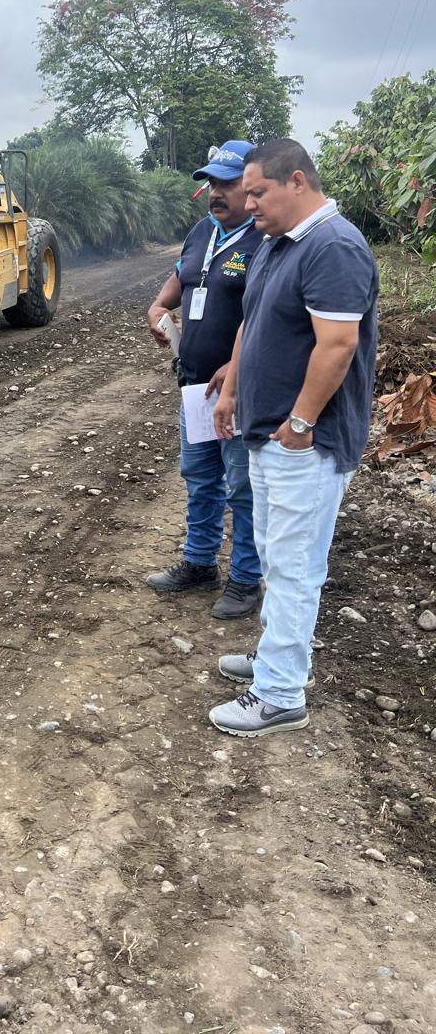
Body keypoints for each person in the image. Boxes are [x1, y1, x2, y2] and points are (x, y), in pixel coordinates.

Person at [211, 139, 378, 737]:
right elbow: (252, 322)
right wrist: (233, 389)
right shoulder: (278, 242)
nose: (248, 202)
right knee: (275, 553)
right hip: (269, 433)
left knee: (294, 566)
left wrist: (302, 422)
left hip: (306, 441)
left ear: (298, 182)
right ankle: (275, 656)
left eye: (258, 192)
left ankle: (280, 694)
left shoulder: (333, 247)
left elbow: (338, 344)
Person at [146, 140, 264, 619]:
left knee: (243, 486)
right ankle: (199, 563)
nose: (217, 192)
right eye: (212, 183)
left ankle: (246, 578)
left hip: (240, 391)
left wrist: (237, 366)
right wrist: (159, 306)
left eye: (228, 183)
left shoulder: (265, 239)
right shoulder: (202, 231)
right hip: (195, 387)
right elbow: (183, 278)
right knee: (200, 477)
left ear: (252, 187)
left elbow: (270, 315)